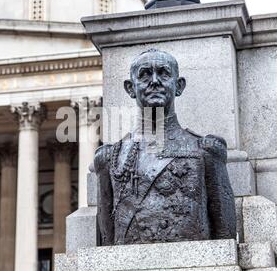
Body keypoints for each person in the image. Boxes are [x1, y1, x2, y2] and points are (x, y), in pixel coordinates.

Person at [94, 49, 236, 246]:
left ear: (179, 86)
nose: (154, 81)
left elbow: (225, 239)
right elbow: (107, 241)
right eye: (144, 74)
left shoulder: (206, 151)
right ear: (130, 88)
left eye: (163, 73)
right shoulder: (109, 158)